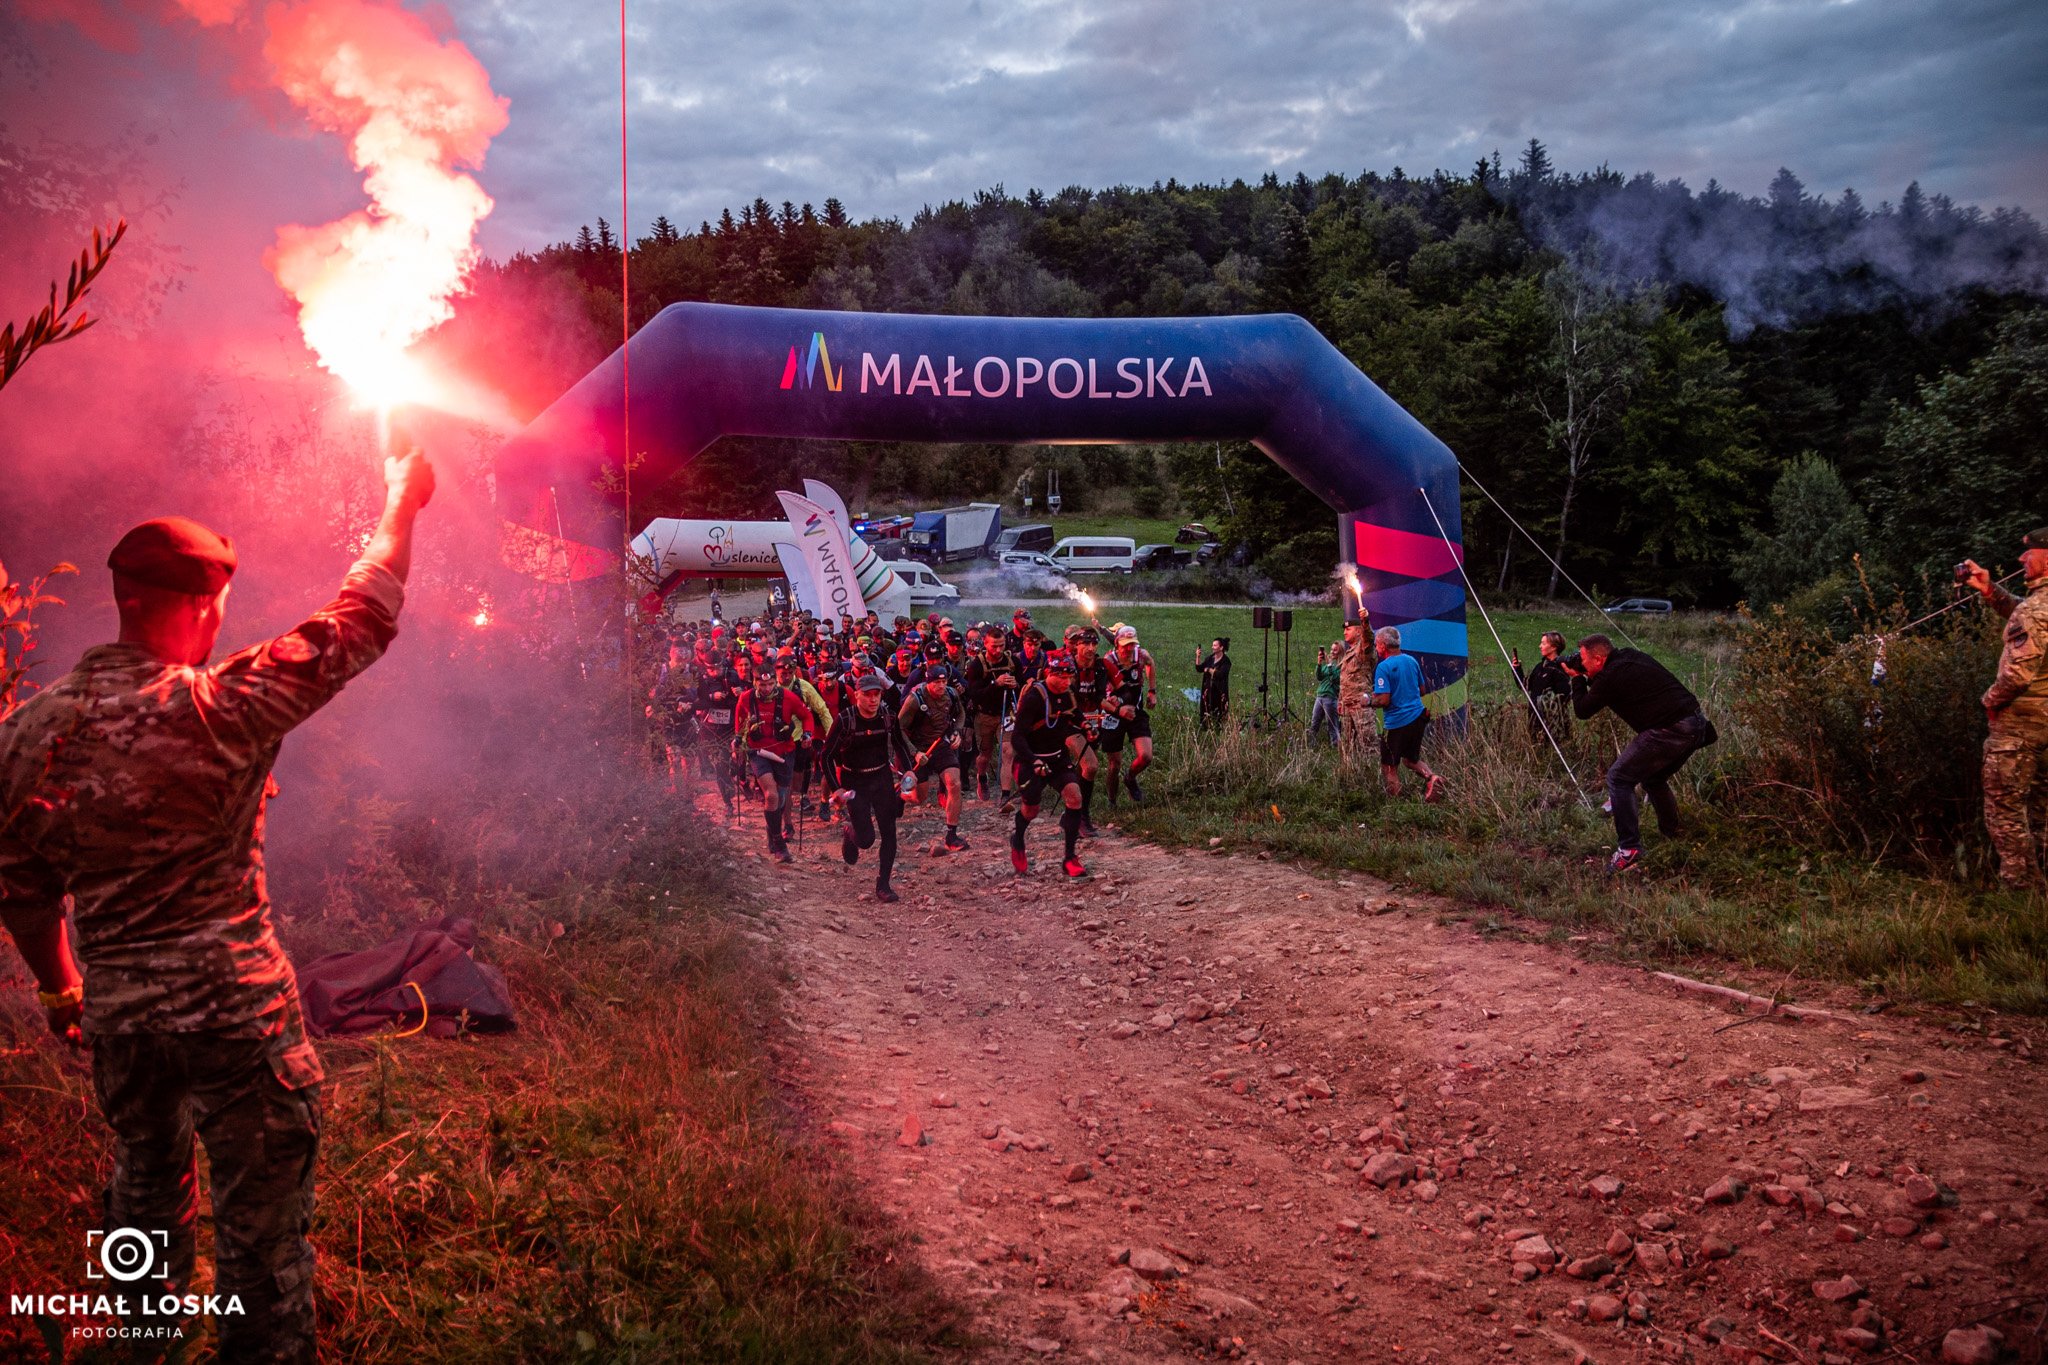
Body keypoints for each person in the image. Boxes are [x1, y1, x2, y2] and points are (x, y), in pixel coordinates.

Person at [0, 448, 436, 1365]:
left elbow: (24, 890)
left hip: (123, 1026)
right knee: (262, 1263)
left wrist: (65, 991)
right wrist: (402, 500)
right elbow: (363, 614)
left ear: (123, 602)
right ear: (201, 608)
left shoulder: (29, 735)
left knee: (142, 1219)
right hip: (240, 1024)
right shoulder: (221, 703)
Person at [1565, 633, 1713, 872]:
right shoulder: (1629, 658)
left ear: (1599, 659)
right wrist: (1584, 674)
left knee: (1618, 778)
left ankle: (1629, 848)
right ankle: (1673, 833)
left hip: (1671, 728)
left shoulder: (1610, 676)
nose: (1581, 663)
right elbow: (1606, 689)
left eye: (1584, 659)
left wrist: (1576, 679)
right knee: (1653, 778)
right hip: (1696, 724)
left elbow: (1583, 710)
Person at [1964, 528, 2048, 891]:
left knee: (2005, 810)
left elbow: (2016, 675)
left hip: (2021, 726)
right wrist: (1989, 589)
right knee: (2043, 809)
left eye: (2029, 552)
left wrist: (1989, 701)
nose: (2021, 558)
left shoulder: (2035, 610)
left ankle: (2022, 890)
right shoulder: (2038, 605)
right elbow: (2030, 617)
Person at [820, 673, 915, 903]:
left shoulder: (888, 717)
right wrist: (836, 788)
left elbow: (900, 744)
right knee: (866, 839)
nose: (873, 700)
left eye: (877, 695)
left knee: (889, 832)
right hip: (855, 780)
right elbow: (826, 757)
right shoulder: (845, 720)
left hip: (881, 776)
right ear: (857, 696)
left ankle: (883, 884)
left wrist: (910, 770)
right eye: (867, 695)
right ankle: (850, 833)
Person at [1009, 649, 1089, 878]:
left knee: (1074, 797)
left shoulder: (1069, 693)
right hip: (1031, 759)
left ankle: (1069, 857)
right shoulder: (1034, 697)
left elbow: (1075, 714)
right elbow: (1017, 737)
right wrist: (1032, 760)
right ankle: (1018, 839)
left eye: (1069, 677)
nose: (1066, 682)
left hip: (1057, 757)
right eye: (1061, 677)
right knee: (1031, 810)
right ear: (1049, 673)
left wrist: (1086, 728)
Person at [733, 665, 814, 863]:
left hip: (784, 752)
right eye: (762, 685)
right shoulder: (746, 698)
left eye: (770, 684)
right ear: (755, 683)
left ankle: (772, 832)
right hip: (758, 752)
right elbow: (740, 717)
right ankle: (779, 844)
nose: (767, 689)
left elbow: (807, 716)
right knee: (771, 794)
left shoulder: (788, 697)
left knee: (782, 798)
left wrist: (807, 734)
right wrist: (737, 739)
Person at [899, 662, 970, 852]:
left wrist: (956, 733)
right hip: (919, 748)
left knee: (954, 783)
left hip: (940, 745)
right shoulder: (915, 699)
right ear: (928, 682)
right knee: (919, 797)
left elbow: (961, 713)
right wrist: (915, 753)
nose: (940, 686)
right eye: (936, 683)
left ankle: (951, 834)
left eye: (944, 681)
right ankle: (900, 796)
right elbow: (898, 729)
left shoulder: (951, 694)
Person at [1371, 626, 1444, 801]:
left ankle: (1397, 805)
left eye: (1376, 645)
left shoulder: (1384, 667)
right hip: (1418, 717)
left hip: (1397, 722)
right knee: (1410, 760)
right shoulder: (1411, 661)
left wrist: (1368, 701)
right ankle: (1432, 778)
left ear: (1382, 645)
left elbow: (1384, 700)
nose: (1375, 648)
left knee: (1389, 767)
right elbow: (1422, 690)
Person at [1101, 625, 1157, 805]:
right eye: (1125, 645)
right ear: (1117, 643)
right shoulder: (1108, 660)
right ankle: (1112, 801)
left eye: (1132, 644)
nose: (1129, 649)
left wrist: (1152, 691)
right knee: (1114, 764)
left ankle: (1130, 777)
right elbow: (1101, 691)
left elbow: (1151, 663)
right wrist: (1113, 703)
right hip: (1114, 714)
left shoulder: (1140, 655)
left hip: (1135, 711)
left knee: (1146, 756)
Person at [964, 630, 1020, 804]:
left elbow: (1023, 685)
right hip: (985, 714)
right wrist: (996, 684)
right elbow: (974, 694)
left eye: (1001, 646)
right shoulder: (976, 666)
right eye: (994, 646)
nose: (998, 650)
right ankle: (982, 777)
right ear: (986, 644)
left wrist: (1016, 684)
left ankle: (1005, 795)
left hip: (1007, 713)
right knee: (984, 755)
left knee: (1008, 751)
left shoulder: (1013, 662)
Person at [1511, 631, 1573, 743]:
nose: (1540, 646)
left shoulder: (1560, 669)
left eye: (1543, 644)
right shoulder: (1540, 667)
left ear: (1554, 647)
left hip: (1551, 724)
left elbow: (1565, 697)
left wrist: (1547, 708)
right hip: (1534, 719)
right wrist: (1517, 669)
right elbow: (1525, 686)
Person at [1337, 617, 1375, 756]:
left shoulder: (1363, 650)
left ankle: (1372, 776)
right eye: (1344, 630)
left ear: (1359, 631)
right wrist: (1340, 701)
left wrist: (1365, 621)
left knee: (1368, 746)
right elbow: (1345, 680)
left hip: (1361, 707)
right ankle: (1349, 775)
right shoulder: (1349, 653)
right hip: (1347, 706)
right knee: (1348, 747)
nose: (1344, 633)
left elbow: (1369, 638)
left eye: (1348, 629)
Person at [1310, 643, 1342, 745]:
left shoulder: (1340, 667)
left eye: (1335, 650)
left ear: (1340, 652)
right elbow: (1319, 677)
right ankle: (1311, 744)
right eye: (1331, 649)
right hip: (1320, 696)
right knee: (1315, 721)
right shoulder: (1329, 665)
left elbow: (1336, 678)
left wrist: (1328, 665)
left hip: (1330, 697)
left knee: (1332, 724)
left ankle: (1336, 745)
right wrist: (1319, 663)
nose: (1332, 652)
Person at [1196, 637, 1231, 727]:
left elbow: (1220, 675)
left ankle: (1218, 728)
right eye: (1213, 645)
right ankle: (1205, 726)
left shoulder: (1226, 661)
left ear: (1221, 647)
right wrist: (1198, 656)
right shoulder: (1210, 658)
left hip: (1219, 691)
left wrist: (1209, 670)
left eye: (1215, 645)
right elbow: (1199, 669)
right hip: (1208, 690)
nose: (1212, 647)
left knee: (1218, 712)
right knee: (1206, 709)